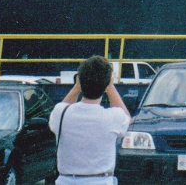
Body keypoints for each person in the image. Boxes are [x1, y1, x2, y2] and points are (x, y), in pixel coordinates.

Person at [49, 56, 130, 185]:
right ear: (106, 84)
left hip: (66, 180)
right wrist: (110, 87)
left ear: (79, 80)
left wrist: (77, 87)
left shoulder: (61, 113)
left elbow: (60, 109)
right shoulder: (113, 117)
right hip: (100, 180)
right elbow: (127, 119)